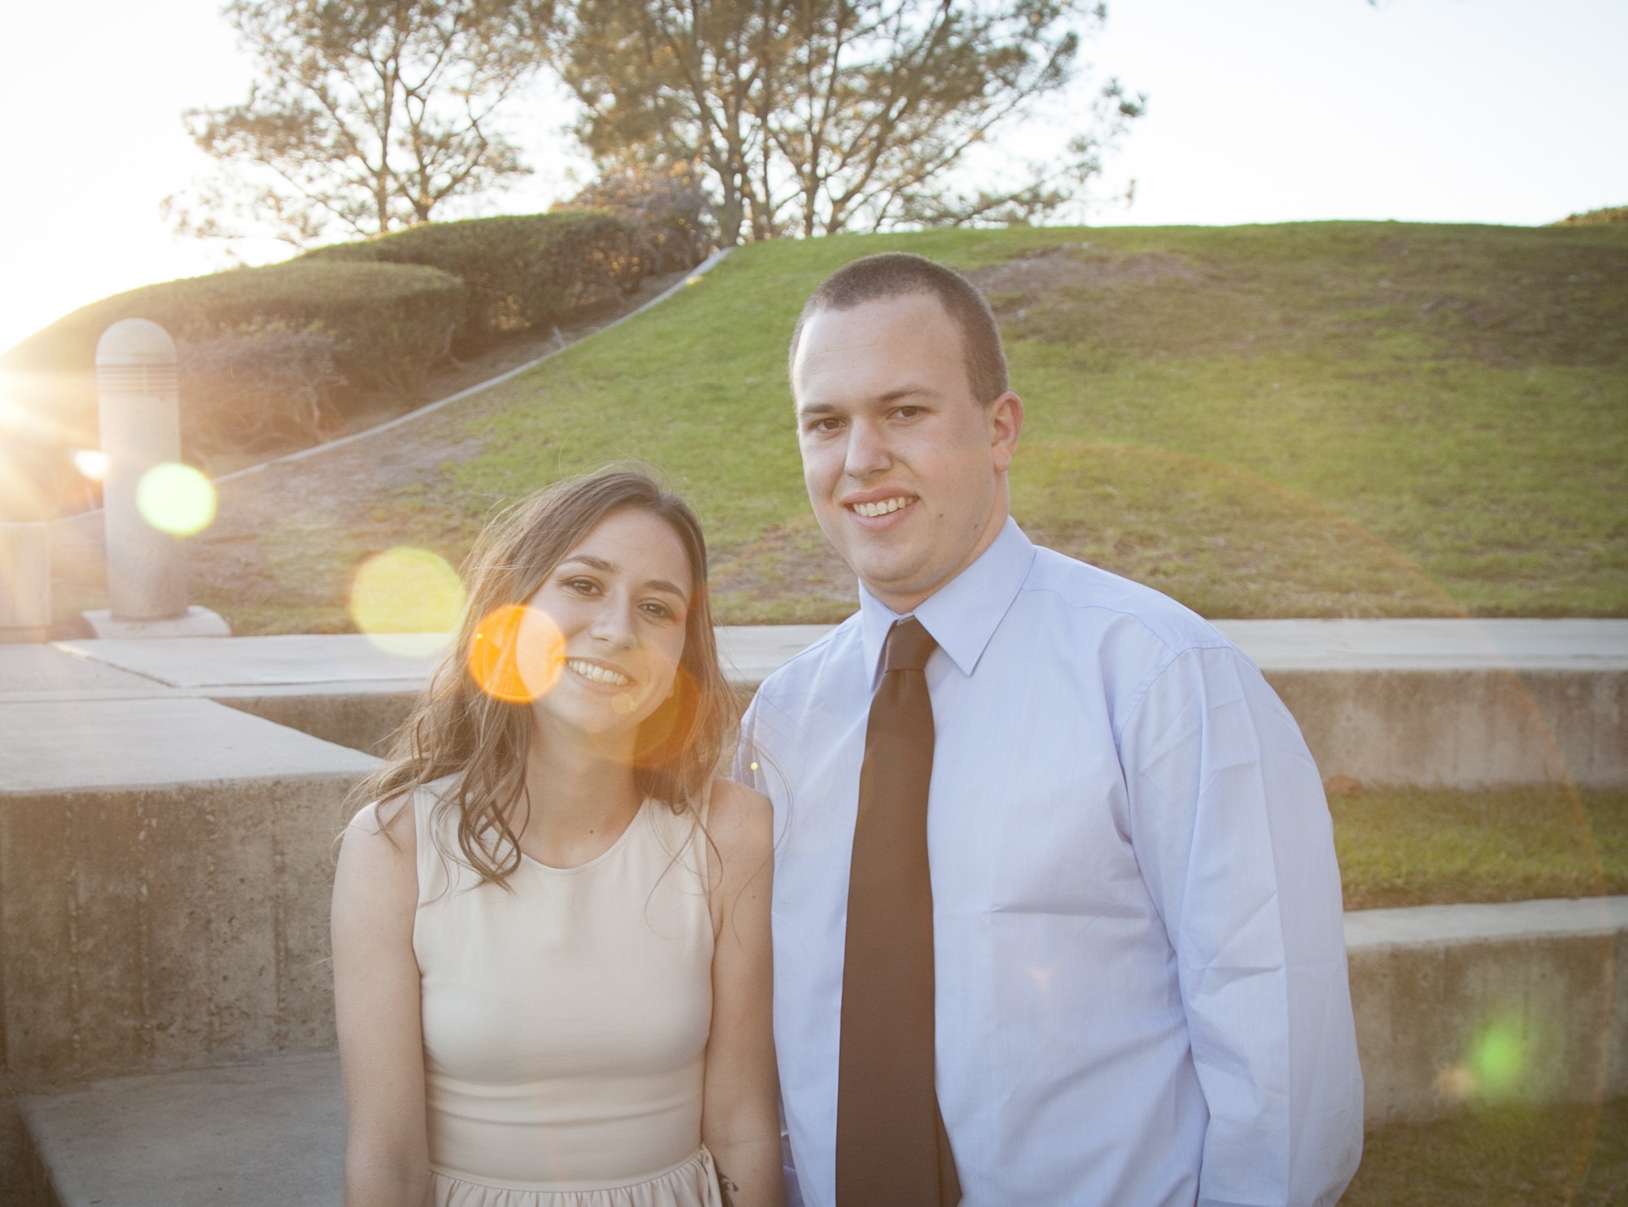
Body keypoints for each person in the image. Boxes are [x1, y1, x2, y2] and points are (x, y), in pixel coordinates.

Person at [735, 253, 1364, 1206]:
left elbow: (1277, 1036)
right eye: (825, 422)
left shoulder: (1161, 678)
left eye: (903, 410)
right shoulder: (781, 722)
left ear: (999, 428)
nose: (860, 457)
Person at [334, 469, 783, 1207]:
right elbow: (386, 1161)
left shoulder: (730, 833)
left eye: (656, 606)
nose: (616, 630)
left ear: (682, 652)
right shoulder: (393, 847)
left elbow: (743, 1126)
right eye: (582, 584)